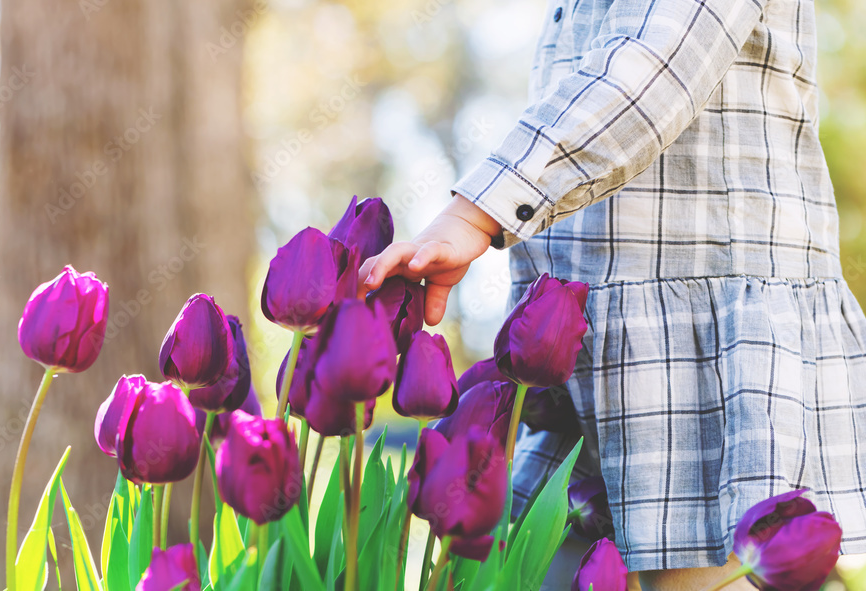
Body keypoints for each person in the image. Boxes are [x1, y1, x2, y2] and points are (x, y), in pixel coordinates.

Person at [359, 0, 866, 589]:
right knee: (524, 565)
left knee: (693, 575)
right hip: (586, 353)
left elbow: (650, 71)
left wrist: (477, 213)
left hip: (701, 358)